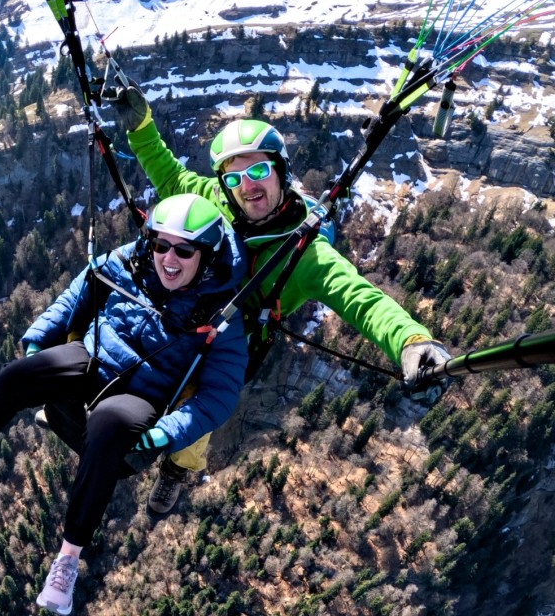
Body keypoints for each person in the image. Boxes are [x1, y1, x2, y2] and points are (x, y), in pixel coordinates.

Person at [0, 194, 250, 615]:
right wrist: (40, 339)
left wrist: (168, 431)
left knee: (108, 424)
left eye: (184, 250)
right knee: (18, 375)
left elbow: (220, 395)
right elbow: (76, 294)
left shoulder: (222, 315)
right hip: (92, 359)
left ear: (206, 255)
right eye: (161, 245)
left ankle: (66, 561)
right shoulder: (129, 263)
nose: (169, 258)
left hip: (143, 394)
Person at [107, 85, 452, 514]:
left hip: (233, 342)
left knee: (198, 405)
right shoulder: (218, 200)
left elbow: (360, 298)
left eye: (257, 173)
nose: (246, 187)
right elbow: (170, 175)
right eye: (233, 178)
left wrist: (410, 340)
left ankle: (178, 469)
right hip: (189, 309)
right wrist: (141, 127)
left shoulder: (306, 254)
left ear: (281, 171)